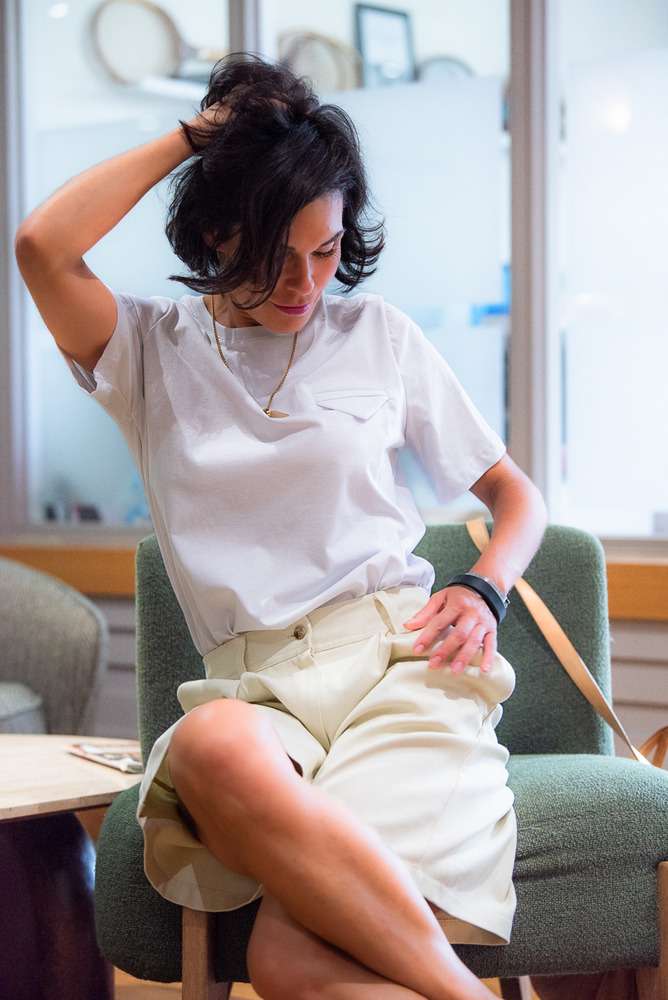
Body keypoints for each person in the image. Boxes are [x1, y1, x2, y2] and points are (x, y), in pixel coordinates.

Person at [16, 54, 547, 1000]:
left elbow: (517, 494)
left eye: (327, 250)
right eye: (277, 254)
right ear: (220, 233)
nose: (307, 283)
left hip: (396, 659)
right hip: (256, 687)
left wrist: (484, 585)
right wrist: (199, 135)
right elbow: (40, 246)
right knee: (212, 743)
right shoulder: (151, 350)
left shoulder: (377, 335)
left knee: (288, 961)